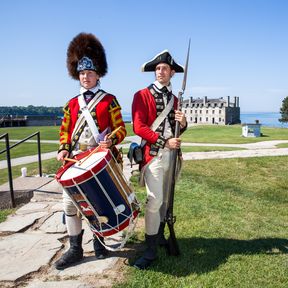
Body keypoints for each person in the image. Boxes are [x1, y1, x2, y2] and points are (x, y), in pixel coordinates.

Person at [55, 32, 127, 270]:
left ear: (98, 75)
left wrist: (112, 140)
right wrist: (63, 149)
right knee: (70, 205)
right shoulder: (71, 104)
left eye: (90, 73)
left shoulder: (110, 101)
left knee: (97, 204)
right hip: (75, 161)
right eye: (82, 73)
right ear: (78, 75)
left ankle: (99, 243)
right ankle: (75, 249)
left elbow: (120, 129)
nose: (86, 77)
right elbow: (65, 131)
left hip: (99, 159)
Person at [131, 50, 187, 270]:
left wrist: (182, 124)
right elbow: (139, 127)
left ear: (172, 73)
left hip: (172, 156)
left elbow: (177, 131)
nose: (160, 72)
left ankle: (160, 236)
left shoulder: (175, 100)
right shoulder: (141, 95)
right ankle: (150, 249)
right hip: (153, 155)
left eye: (164, 68)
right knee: (154, 200)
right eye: (157, 68)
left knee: (165, 201)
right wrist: (164, 142)